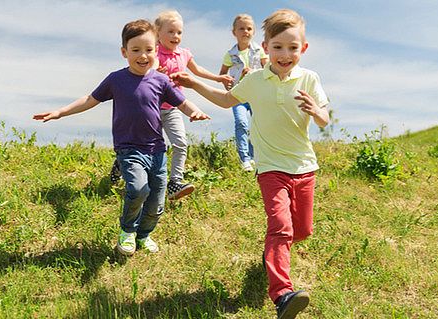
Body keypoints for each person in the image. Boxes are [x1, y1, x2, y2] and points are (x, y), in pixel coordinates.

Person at [172, 9, 330, 319]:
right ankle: (282, 294)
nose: (285, 55)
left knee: (302, 230)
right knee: (281, 227)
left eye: (293, 48)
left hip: (304, 167)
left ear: (304, 48)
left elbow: (324, 118)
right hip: (270, 167)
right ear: (266, 47)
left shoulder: (310, 79)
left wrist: (316, 111)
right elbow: (226, 100)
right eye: (278, 47)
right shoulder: (256, 79)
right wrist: (193, 84)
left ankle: (274, 252)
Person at [33, 19, 210, 256]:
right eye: (135, 50)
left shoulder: (160, 80)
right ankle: (127, 231)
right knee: (138, 189)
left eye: (148, 50)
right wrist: (60, 112)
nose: (143, 55)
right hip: (129, 149)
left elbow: (182, 102)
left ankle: (144, 236)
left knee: (156, 204)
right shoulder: (116, 80)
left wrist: (194, 111)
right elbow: (90, 99)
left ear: (156, 50)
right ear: (124, 52)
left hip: (157, 150)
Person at [111, 10, 233, 200]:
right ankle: (122, 162)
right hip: (150, 109)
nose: (176, 36)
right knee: (141, 145)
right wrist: (155, 69)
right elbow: (147, 67)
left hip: (172, 108)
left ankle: (175, 181)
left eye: (179, 32)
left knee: (180, 143)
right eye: (171, 32)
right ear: (157, 33)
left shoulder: (184, 54)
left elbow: (197, 70)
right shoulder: (153, 52)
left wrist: (217, 78)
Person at [219, 14, 268, 172]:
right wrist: (228, 84)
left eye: (249, 28)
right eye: (241, 28)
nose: (245, 31)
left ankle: (254, 157)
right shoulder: (230, 54)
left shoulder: (259, 50)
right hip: (238, 94)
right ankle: (245, 159)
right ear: (234, 32)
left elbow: (268, 69)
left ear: (253, 31)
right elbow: (222, 73)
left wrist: (253, 71)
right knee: (241, 123)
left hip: (256, 93)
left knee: (256, 124)